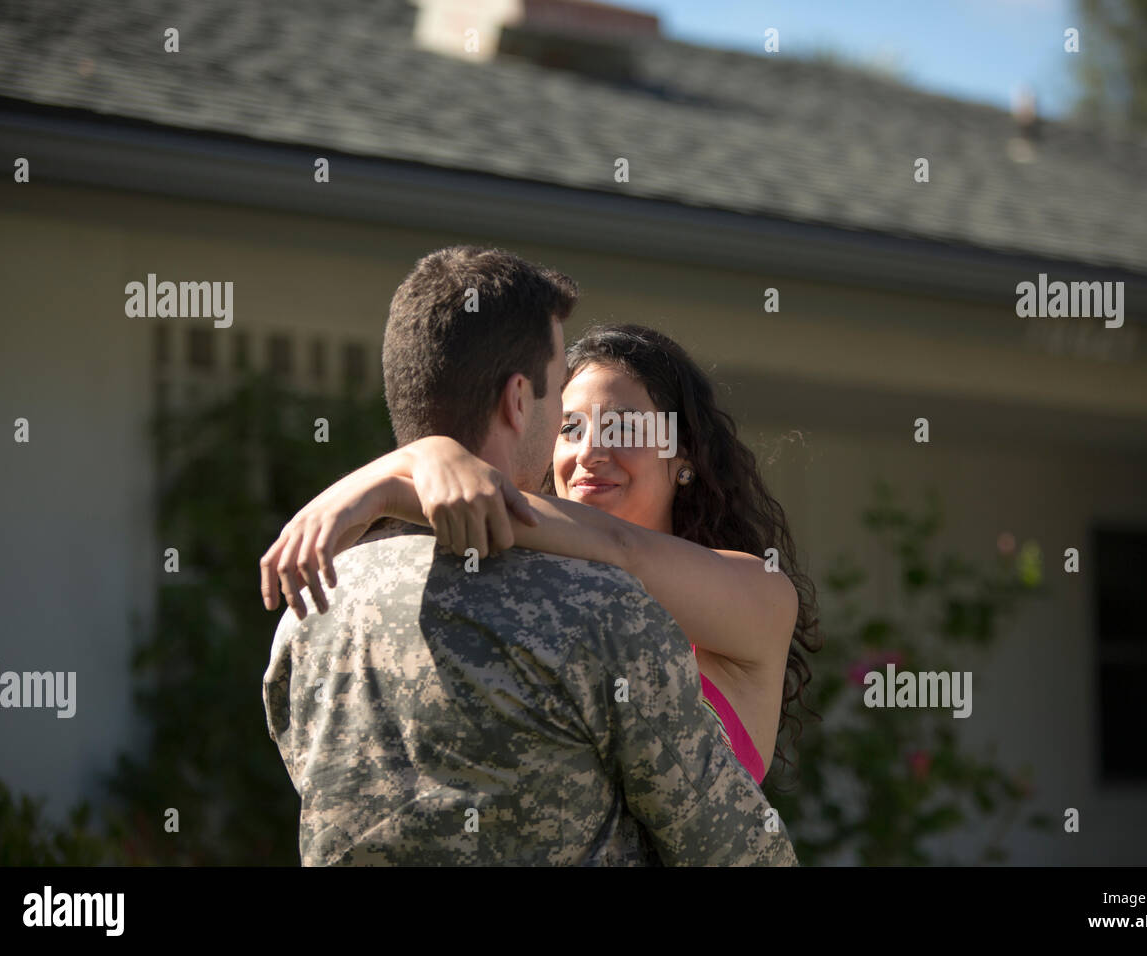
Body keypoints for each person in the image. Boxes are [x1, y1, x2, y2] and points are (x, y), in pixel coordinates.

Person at [261, 245, 798, 865]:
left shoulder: (757, 591)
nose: (589, 451)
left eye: (623, 427)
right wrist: (424, 458)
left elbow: (625, 552)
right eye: (569, 427)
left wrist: (392, 478)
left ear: (685, 459)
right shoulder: (528, 578)